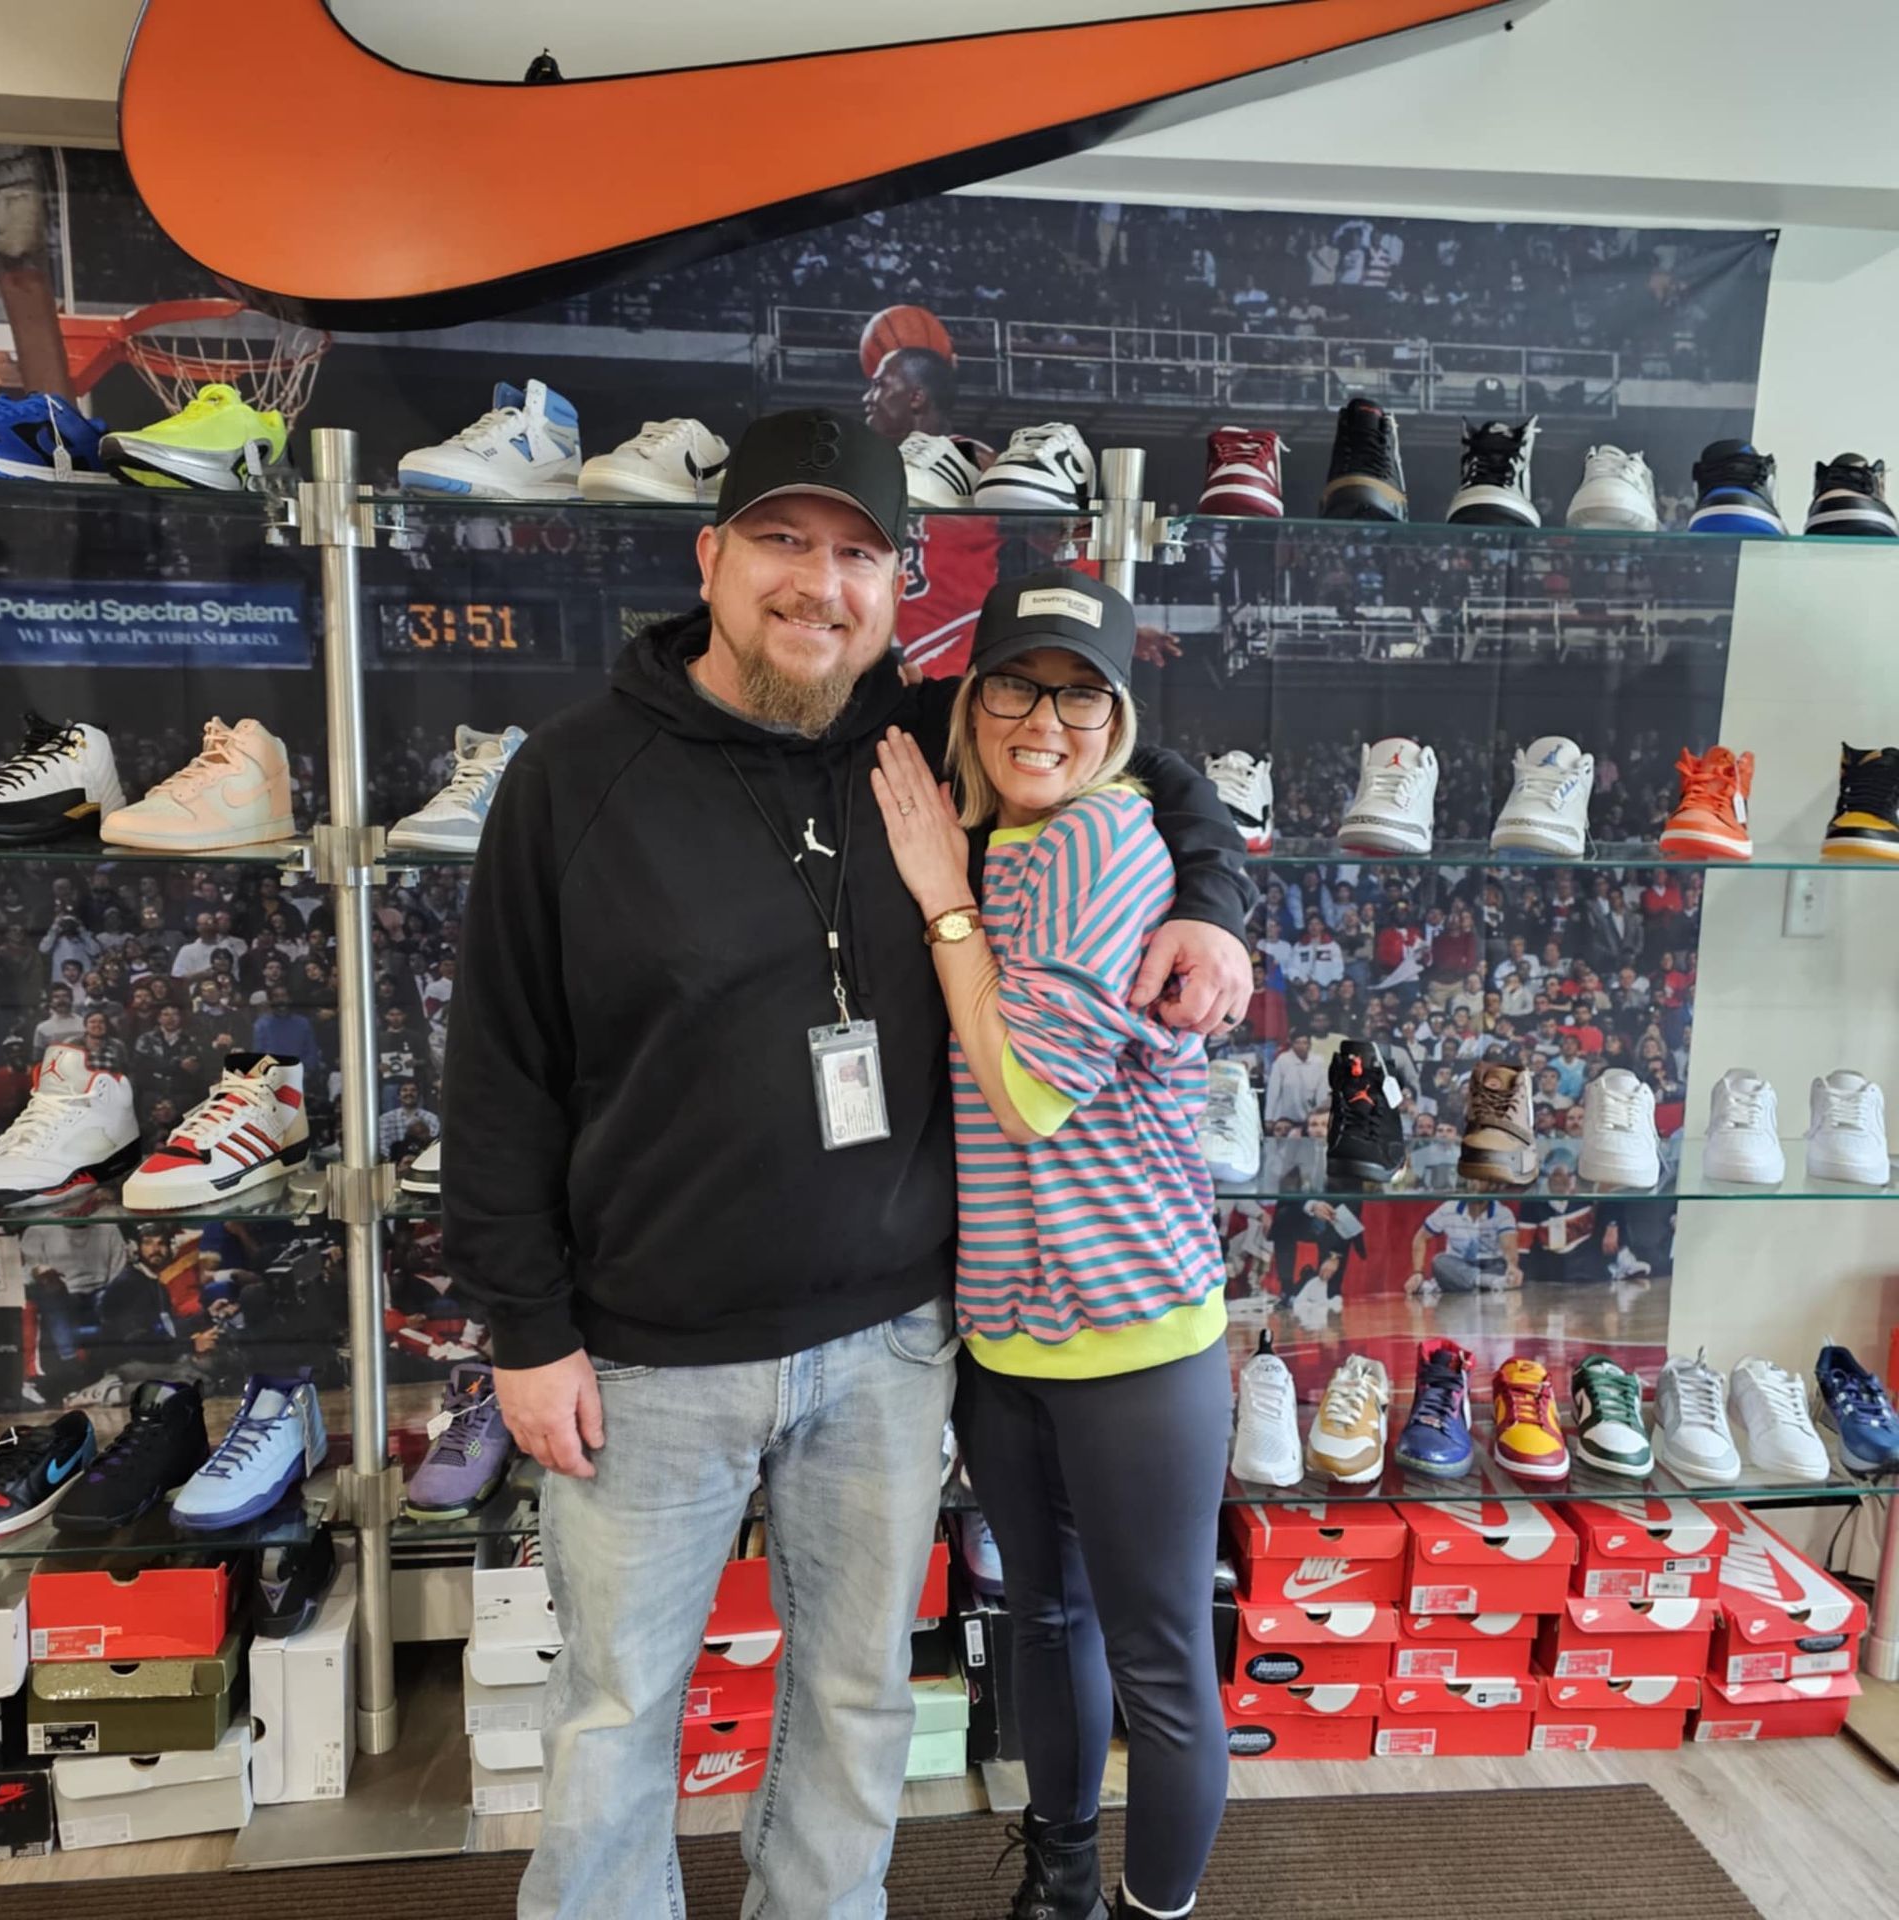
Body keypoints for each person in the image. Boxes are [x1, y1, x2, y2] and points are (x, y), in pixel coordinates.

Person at [442, 410, 1253, 1920]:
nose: (819, 585)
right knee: (615, 1717)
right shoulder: (571, 775)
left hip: (891, 1341)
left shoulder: (924, 731)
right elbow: (496, 1071)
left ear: (896, 589)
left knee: (857, 1699)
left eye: (859, 556)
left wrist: (1210, 898)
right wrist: (525, 1329)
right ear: (710, 556)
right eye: (782, 541)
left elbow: (1134, 753)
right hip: (650, 1353)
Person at [867, 569, 1228, 1920]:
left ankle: (1148, 1912)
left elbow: (1025, 1090)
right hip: (1009, 1330)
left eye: (1082, 697)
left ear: (1120, 722)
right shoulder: (993, 831)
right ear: (971, 698)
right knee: (1045, 1619)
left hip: (1135, 1332)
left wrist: (939, 899)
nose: (1044, 720)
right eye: (1017, 685)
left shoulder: (1101, 839)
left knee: (1157, 1658)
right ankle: (1063, 1884)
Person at [861, 340, 1001, 677]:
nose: (868, 397)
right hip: (915, 649)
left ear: (916, 397)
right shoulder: (884, 468)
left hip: (963, 635)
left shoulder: (972, 457)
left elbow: (1052, 531)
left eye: (879, 385)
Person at [1408, 1197, 1524, 1294]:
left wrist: (1512, 1266)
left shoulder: (1503, 1213)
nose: (1476, 1186)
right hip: (1458, 1265)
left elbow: (1509, 1246)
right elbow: (1420, 1238)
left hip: (1491, 1266)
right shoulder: (1448, 1208)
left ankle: (1452, 1285)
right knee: (1439, 1262)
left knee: (1502, 1267)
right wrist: (1417, 1273)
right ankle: (1488, 1283)